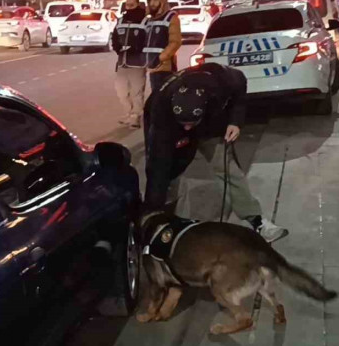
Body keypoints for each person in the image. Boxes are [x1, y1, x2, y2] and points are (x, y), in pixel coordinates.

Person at [142, 63, 288, 243]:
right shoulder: (161, 107)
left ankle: (257, 220)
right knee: (167, 172)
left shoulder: (224, 81)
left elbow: (240, 89)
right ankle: (159, 220)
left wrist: (235, 121)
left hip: (210, 122)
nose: (188, 128)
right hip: (171, 128)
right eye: (185, 124)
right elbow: (158, 164)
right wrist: (152, 208)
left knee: (227, 168)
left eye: (191, 124)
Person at [112, 0, 148, 128]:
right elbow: (115, 37)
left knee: (137, 92)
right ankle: (128, 113)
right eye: (128, 5)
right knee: (121, 90)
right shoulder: (121, 20)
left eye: (132, 4)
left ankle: (136, 116)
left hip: (137, 62)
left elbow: (147, 40)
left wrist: (136, 49)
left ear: (138, 4)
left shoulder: (144, 21)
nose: (129, 7)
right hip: (122, 62)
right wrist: (117, 48)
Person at [144, 0, 182, 94]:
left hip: (165, 68)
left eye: (155, 1)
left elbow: (175, 42)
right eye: (150, 1)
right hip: (153, 67)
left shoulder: (171, 17)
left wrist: (160, 58)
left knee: (164, 98)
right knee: (156, 98)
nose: (152, 4)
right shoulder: (150, 19)